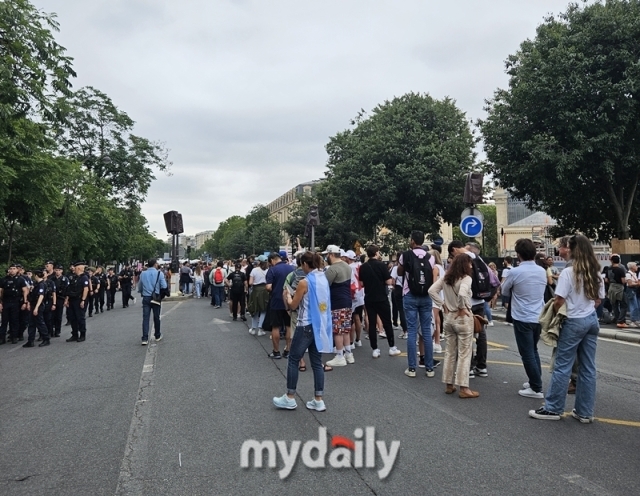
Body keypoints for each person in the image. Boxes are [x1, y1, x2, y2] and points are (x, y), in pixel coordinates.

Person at [529, 234, 605, 423]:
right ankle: (584, 412)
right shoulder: (595, 271)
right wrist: (586, 310)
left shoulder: (568, 273)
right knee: (588, 367)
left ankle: (553, 408)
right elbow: (598, 300)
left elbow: (559, 300)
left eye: (566, 247)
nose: (563, 250)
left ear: (572, 249)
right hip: (591, 320)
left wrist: (557, 314)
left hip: (573, 321)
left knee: (563, 365)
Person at [273, 251, 332, 411]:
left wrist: (288, 297)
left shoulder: (304, 282)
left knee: (293, 359)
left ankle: (290, 397)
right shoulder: (323, 278)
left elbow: (293, 306)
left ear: (305, 264)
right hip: (319, 324)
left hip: (305, 323)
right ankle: (318, 399)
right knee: (317, 363)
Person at [500, 239, 547, 399]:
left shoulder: (515, 272)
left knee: (526, 352)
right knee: (533, 350)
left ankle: (536, 387)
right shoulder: (541, 271)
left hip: (522, 316)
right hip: (538, 315)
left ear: (518, 255)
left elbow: (504, 291)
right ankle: (535, 380)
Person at [428, 254, 478, 398]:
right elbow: (463, 293)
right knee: (464, 353)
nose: (471, 266)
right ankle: (464, 387)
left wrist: (442, 304)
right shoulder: (466, 279)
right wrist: (462, 308)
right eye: (469, 263)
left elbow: (431, 290)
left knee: (450, 352)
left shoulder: (447, 278)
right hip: (462, 317)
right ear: (464, 265)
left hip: (448, 317)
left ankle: (449, 384)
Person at [397, 231, 438, 377]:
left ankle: (412, 368)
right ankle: (429, 368)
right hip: (426, 296)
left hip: (410, 294)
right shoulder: (430, 257)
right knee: (426, 331)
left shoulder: (405, 255)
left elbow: (400, 272)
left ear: (413, 241)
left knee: (412, 331)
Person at [358, 244, 401, 359]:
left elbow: (361, 284)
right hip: (381, 297)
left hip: (369, 297)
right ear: (376, 253)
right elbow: (388, 282)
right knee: (387, 322)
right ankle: (392, 347)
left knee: (372, 323)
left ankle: (375, 349)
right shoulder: (382, 265)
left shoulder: (363, 267)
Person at [323, 245, 354, 367]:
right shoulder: (347, 266)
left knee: (337, 330)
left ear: (331, 255)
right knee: (345, 329)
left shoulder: (332, 269)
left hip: (337, 302)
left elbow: (325, 285)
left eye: (327, 255)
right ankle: (349, 353)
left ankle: (340, 355)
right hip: (347, 300)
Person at [266, 252, 294, 359]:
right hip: (289, 300)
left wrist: (276, 289)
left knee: (276, 326)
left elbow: (268, 287)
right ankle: (288, 350)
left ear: (272, 260)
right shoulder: (291, 268)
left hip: (276, 301)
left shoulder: (272, 270)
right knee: (289, 326)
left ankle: (276, 351)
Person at [137, 258, 168, 345]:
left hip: (146, 297)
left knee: (146, 318)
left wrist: (142, 292)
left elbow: (140, 286)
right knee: (156, 316)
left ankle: (144, 338)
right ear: (155, 264)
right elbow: (164, 285)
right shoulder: (159, 273)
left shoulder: (143, 273)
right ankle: (157, 335)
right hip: (156, 297)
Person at [22, 269, 51, 348]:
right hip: (33, 304)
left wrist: (36, 308)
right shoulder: (36, 284)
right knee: (31, 323)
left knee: (40, 323)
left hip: (38, 305)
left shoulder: (42, 284)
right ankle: (30, 341)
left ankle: (46, 339)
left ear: (36, 275)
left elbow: (41, 296)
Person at [65, 261, 90, 342]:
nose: (73, 269)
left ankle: (82, 334)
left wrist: (83, 300)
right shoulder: (74, 277)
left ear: (78, 268)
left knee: (80, 318)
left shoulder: (84, 277)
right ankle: (74, 334)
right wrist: (67, 300)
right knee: (73, 318)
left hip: (79, 300)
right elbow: (69, 289)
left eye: (75, 267)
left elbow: (86, 289)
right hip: (72, 300)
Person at [248, 255, 269, 335]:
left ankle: (253, 328)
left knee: (255, 309)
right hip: (265, 290)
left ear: (259, 262)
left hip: (256, 290)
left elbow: (250, 282)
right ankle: (260, 329)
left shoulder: (254, 270)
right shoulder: (268, 270)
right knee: (264, 310)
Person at [605, 255, 627, 328]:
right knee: (624, 304)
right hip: (619, 288)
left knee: (614, 305)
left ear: (612, 261)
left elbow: (606, 280)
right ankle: (621, 321)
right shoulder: (621, 269)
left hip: (611, 287)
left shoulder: (608, 269)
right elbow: (623, 281)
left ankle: (617, 319)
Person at [390, 253, 408, 340]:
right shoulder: (409, 267)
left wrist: (393, 287)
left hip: (398, 288)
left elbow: (392, 281)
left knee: (401, 310)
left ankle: (405, 330)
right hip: (407, 289)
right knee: (408, 310)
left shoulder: (396, 268)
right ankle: (408, 329)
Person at [50, 265, 69, 338]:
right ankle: (51, 330)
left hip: (61, 298)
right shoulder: (52, 279)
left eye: (59, 270)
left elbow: (67, 290)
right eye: (56, 270)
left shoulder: (65, 279)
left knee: (58, 316)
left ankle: (57, 331)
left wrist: (66, 300)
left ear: (62, 271)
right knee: (51, 315)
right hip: (52, 298)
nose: (57, 271)